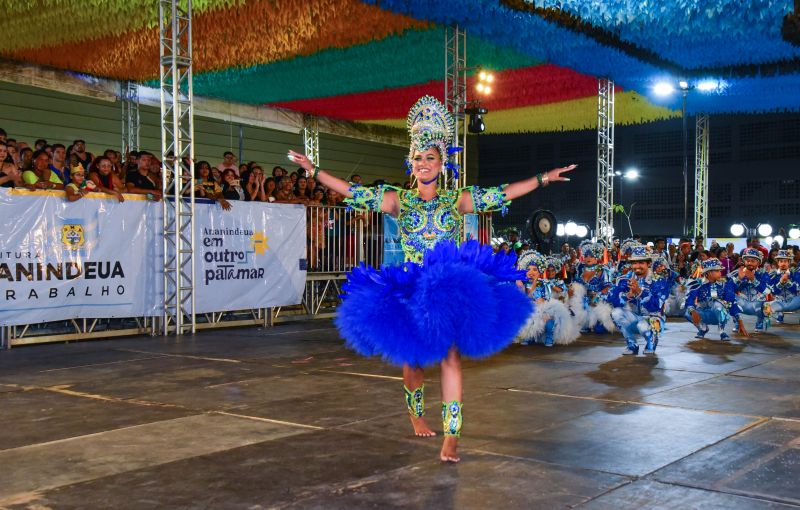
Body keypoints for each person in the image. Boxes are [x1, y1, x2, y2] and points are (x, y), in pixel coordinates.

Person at [288, 95, 574, 463]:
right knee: (412, 364)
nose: (423, 164)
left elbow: (502, 192)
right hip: (411, 288)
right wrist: (314, 171)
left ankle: (452, 436)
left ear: (443, 162)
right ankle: (416, 413)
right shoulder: (397, 200)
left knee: (450, 358)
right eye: (418, 158)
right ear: (412, 162)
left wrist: (543, 179)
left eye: (430, 158)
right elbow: (351, 192)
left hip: (449, 289)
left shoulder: (458, 200)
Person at [609, 244, 668, 355]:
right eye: (634, 262)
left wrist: (639, 292)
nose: (637, 266)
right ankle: (632, 344)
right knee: (615, 313)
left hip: (654, 318)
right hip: (634, 317)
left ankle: (651, 340)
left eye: (641, 262)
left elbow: (656, 306)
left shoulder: (659, 280)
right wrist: (627, 296)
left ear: (649, 263)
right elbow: (612, 299)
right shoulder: (625, 279)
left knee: (642, 325)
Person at [516, 250, 579, 347]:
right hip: (529, 308)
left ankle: (549, 335)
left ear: (540, 271)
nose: (531, 272)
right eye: (528, 269)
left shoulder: (545, 283)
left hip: (542, 308)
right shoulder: (522, 283)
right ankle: (528, 335)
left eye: (534, 269)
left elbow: (547, 299)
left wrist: (543, 308)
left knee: (549, 318)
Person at [685, 258, 737, 341]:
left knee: (718, 305)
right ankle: (703, 328)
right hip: (703, 313)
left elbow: (731, 299)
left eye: (720, 271)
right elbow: (690, 297)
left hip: (718, 314)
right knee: (688, 312)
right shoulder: (698, 283)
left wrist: (738, 318)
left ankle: (722, 331)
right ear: (709, 273)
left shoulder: (724, 284)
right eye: (717, 271)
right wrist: (693, 311)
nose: (720, 273)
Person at [725, 248, 770, 334]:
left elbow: (768, 292)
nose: (749, 263)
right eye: (747, 260)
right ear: (744, 261)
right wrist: (739, 279)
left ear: (759, 262)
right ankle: (737, 322)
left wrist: (753, 280)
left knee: (766, 304)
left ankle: (759, 322)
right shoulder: (737, 273)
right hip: (742, 302)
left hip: (757, 303)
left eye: (753, 261)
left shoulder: (763, 274)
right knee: (729, 299)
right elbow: (729, 289)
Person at [766, 250, 800, 323]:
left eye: (785, 261)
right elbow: (773, 292)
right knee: (764, 306)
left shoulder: (794, 273)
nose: (783, 263)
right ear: (778, 263)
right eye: (781, 261)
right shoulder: (772, 275)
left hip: (792, 302)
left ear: (789, 262)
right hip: (779, 302)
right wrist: (781, 282)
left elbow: (796, 289)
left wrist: (787, 282)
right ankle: (777, 315)